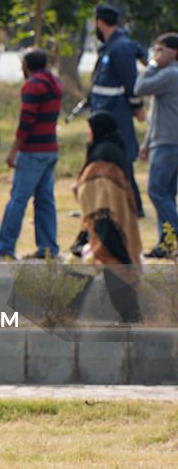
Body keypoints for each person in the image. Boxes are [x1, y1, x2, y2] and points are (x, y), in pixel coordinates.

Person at [74, 111, 143, 323]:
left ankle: (131, 317)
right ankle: (130, 316)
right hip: (111, 218)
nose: (87, 133)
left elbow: (97, 187)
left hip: (106, 219)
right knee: (98, 261)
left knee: (109, 261)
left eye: (90, 129)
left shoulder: (104, 152)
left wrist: (79, 188)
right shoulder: (113, 148)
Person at [0, 48, 62, 260]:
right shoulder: (54, 83)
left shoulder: (33, 86)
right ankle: (48, 247)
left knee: (18, 199)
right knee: (45, 201)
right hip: (50, 148)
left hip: (33, 150)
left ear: (27, 65)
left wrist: (14, 150)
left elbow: (26, 121)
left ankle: (5, 245)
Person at [90, 4, 146, 216]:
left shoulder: (120, 47)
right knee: (106, 158)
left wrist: (136, 107)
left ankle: (134, 206)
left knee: (121, 157)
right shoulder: (109, 46)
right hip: (104, 111)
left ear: (99, 22)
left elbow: (130, 83)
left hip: (116, 113)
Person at [135, 33, 178, 258]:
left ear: (174, 52)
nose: (155, 55)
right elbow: (158, 112)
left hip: (169, 143)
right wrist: (146, 141)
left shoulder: (170, 74)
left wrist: (151, 64)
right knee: (167, 195)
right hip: (163, 139)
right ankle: (166, 244)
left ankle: (173, 233)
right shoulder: (169, 76)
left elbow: (139, 87)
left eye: (160, 50)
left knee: (156, 190)